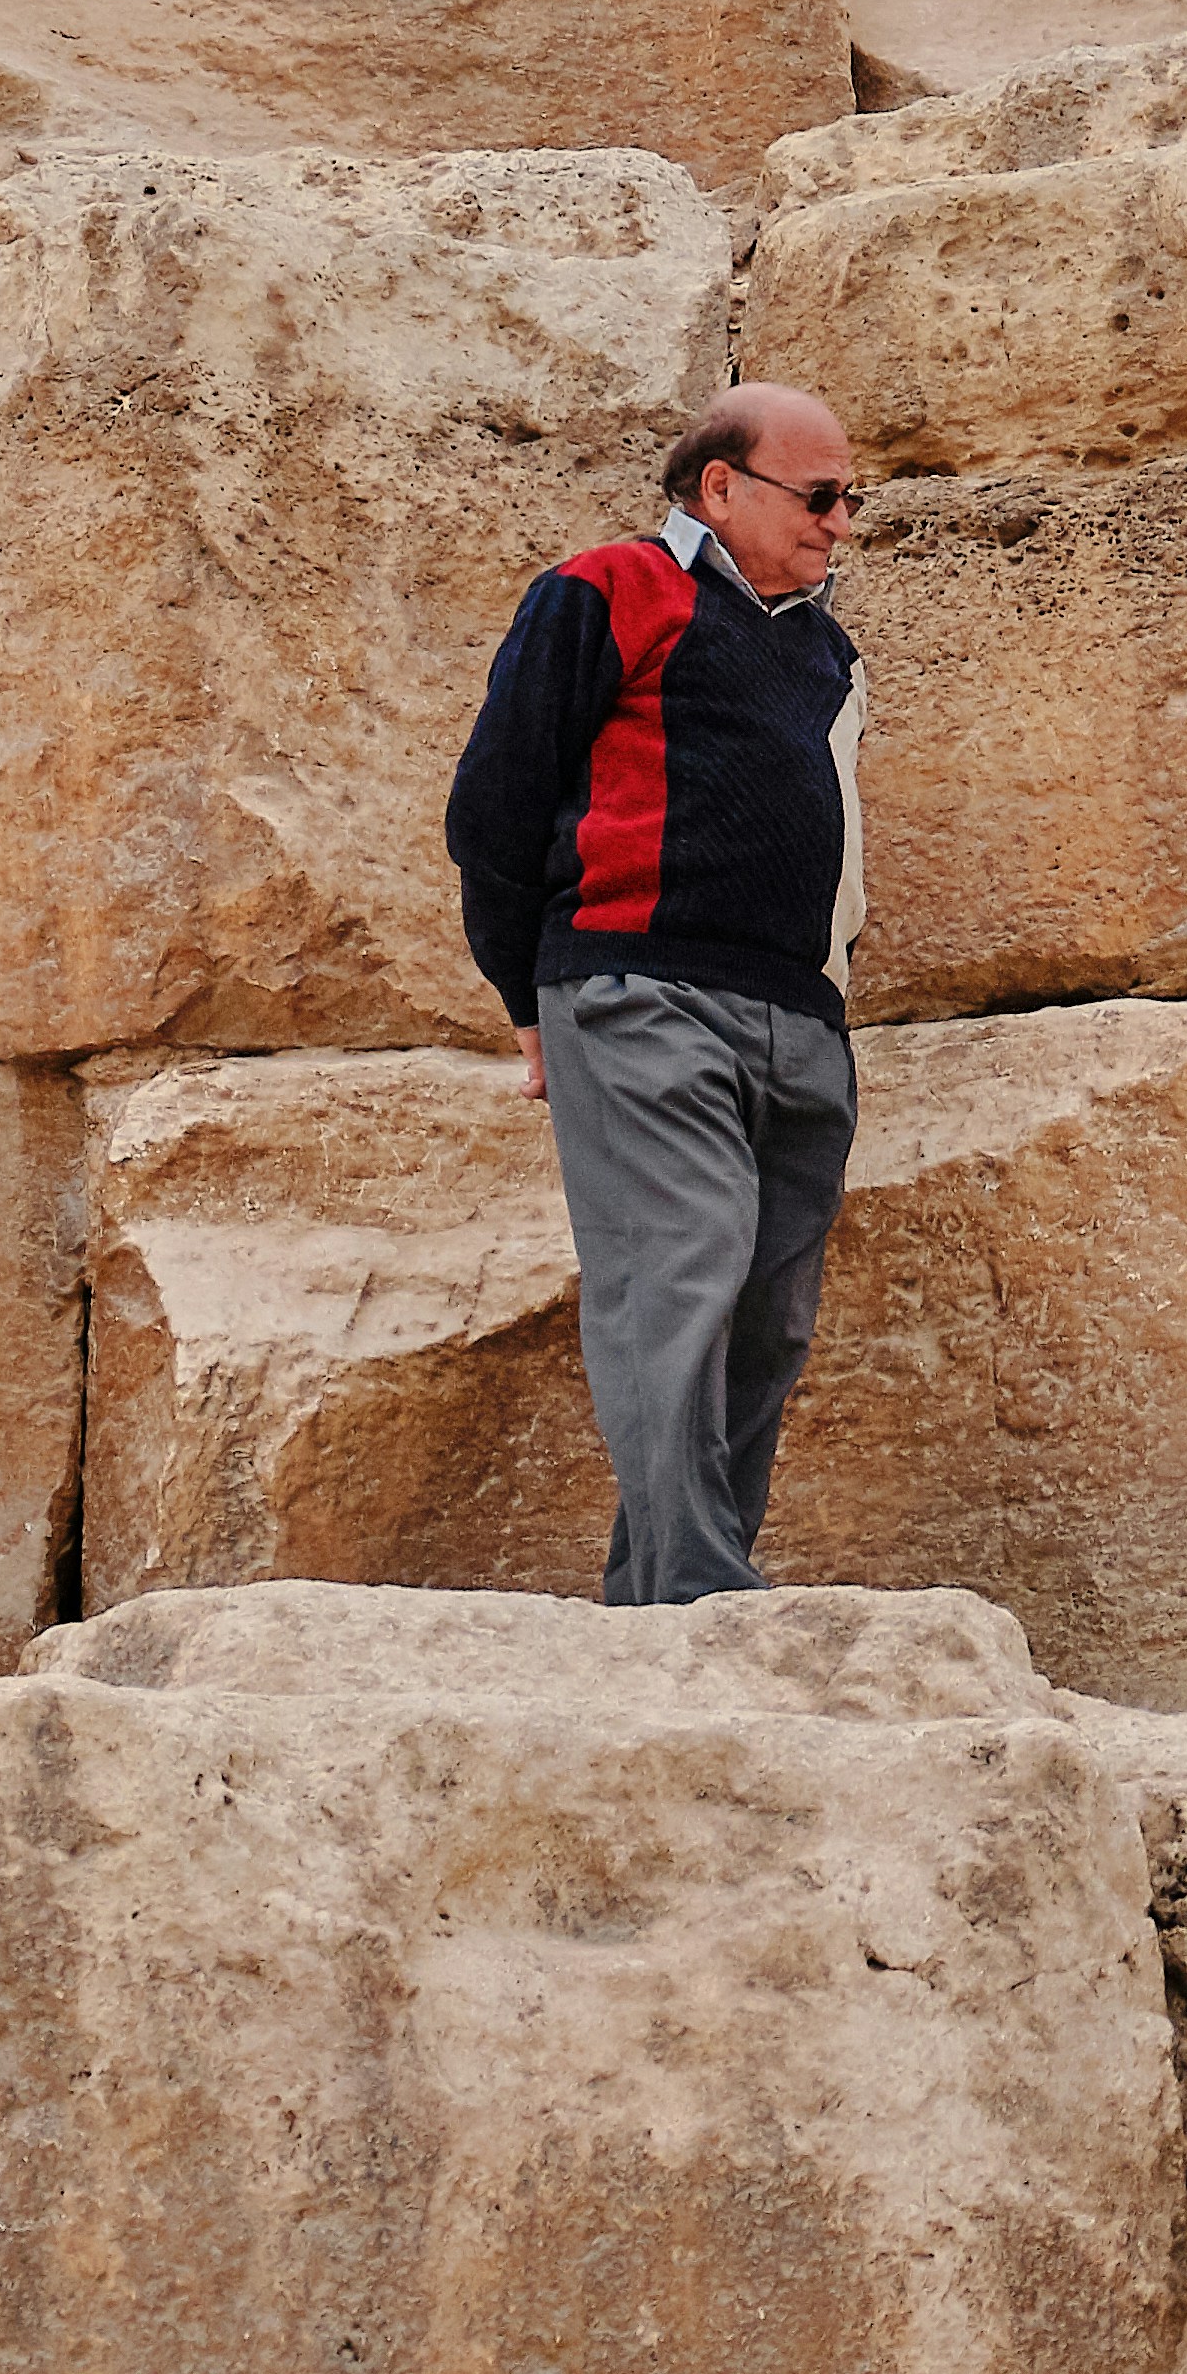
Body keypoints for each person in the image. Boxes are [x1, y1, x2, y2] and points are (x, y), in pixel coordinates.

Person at [440, 383, 868, 1606]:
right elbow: (494, 806)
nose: (840, 523)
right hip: (636, 989)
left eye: (852, 500)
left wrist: (832, 1001)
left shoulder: (825, 648)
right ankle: (697, 1588)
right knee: (683, 1262)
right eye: (820, 496)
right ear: (719, 487)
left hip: (798, 1016)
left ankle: (665, 1596)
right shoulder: (606, 588)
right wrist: (528, 992)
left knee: (770, 1318)